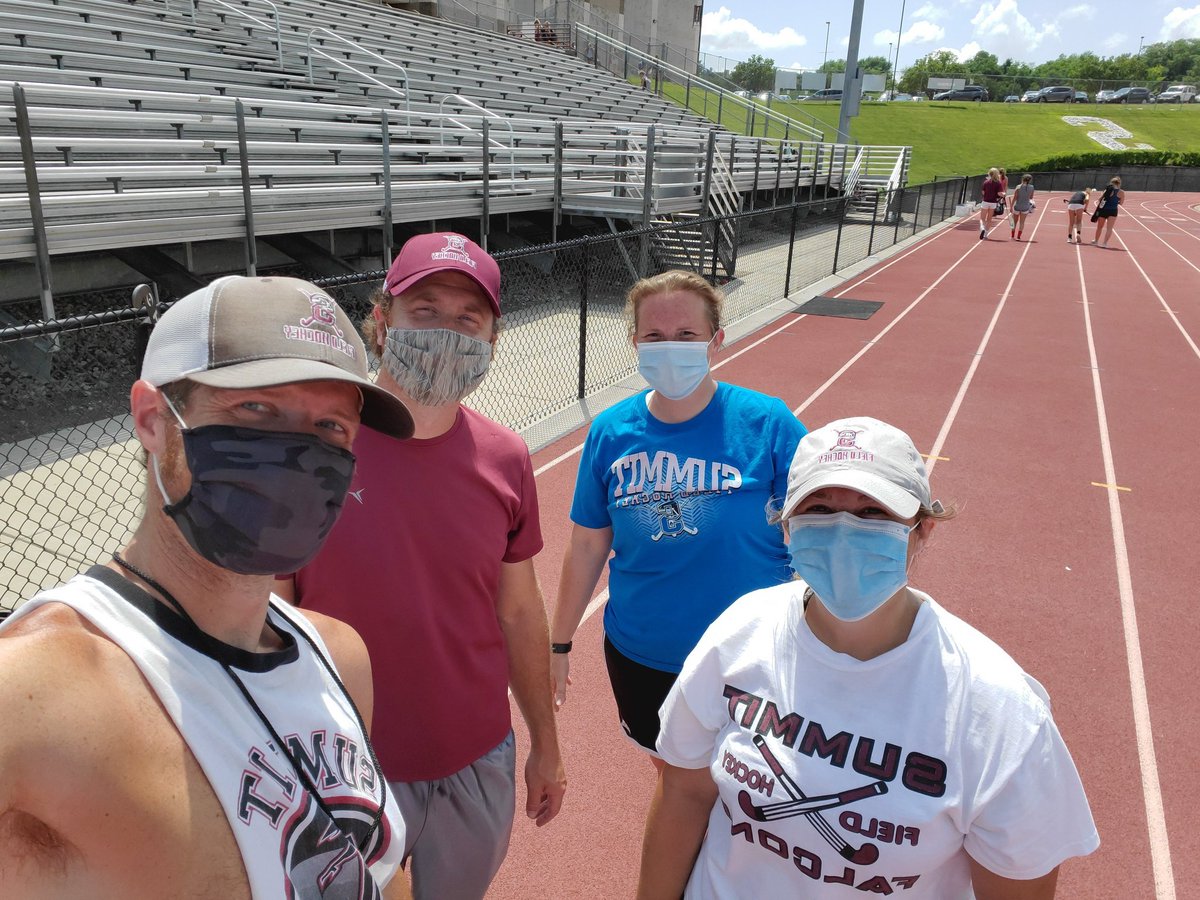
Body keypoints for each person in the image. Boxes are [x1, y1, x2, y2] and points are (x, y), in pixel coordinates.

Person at [0, 275, 417, 899]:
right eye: (255, 410)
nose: (298, 455)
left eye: (330, 427)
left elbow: (378, 867)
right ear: (151, 419)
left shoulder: (339, 656)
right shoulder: (36, 691)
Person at [638, 417, 1100, 899]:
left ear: (922, 530)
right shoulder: (739, 633)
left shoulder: (998, 711)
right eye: (818, 509)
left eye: (873, 513)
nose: (843, 532)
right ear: (788, 527)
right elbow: (685, 794)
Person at [285, 233, 566, 900]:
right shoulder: (314, 449)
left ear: (494, 339)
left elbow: (519, 611)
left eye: (468, 319)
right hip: (343, 773)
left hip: (476, 760)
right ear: (381, 321)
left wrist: (545, 744)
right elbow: (272, 616)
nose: (447, 332)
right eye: (425, 311)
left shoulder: (506, 458)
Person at [551, 270, 806, 768]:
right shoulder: (610, 432)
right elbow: (586, 546)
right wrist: (558, 642)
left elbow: (816, 530)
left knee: (753, 787)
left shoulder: (769, 424)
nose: (671, 347)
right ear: (635, 343)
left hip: (750, 659)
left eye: (687, 335)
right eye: (655, 336)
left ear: (716, 339)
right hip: (644, 654)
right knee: (673, 781)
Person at [1092, 176, 1124, 248]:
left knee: (1099, 227)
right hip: (1113, 211)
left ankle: (1096, 241)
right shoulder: (1121, 192)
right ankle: (1105, 243)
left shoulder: (1107, 190)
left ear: (1111, 183)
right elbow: (1121, 203)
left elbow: (1100, 199)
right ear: (1119, 184)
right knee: (1109, 228)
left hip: (1103, 210)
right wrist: (1116, 201)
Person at [977, 168, 1004, 240]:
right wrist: (1003, 194)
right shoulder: (998, 183)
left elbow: (983, 192)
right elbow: (999, 193)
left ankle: (982, 228)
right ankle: (985, 234)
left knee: (982, 218)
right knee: (989, 219)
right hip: (993, 203)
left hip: (985, 201)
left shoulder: (986, 182)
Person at [1009, 173, 1035, 241]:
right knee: (1022, 222)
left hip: (1017, 206)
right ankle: (1018, 236)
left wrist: (1011, 206)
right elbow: (1031, 197)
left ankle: (1012, 236)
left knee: (1014, 222)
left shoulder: (1018, 186)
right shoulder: (1032, 187)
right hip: (1025, 206)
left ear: (1023, 179)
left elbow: (1015, 197)